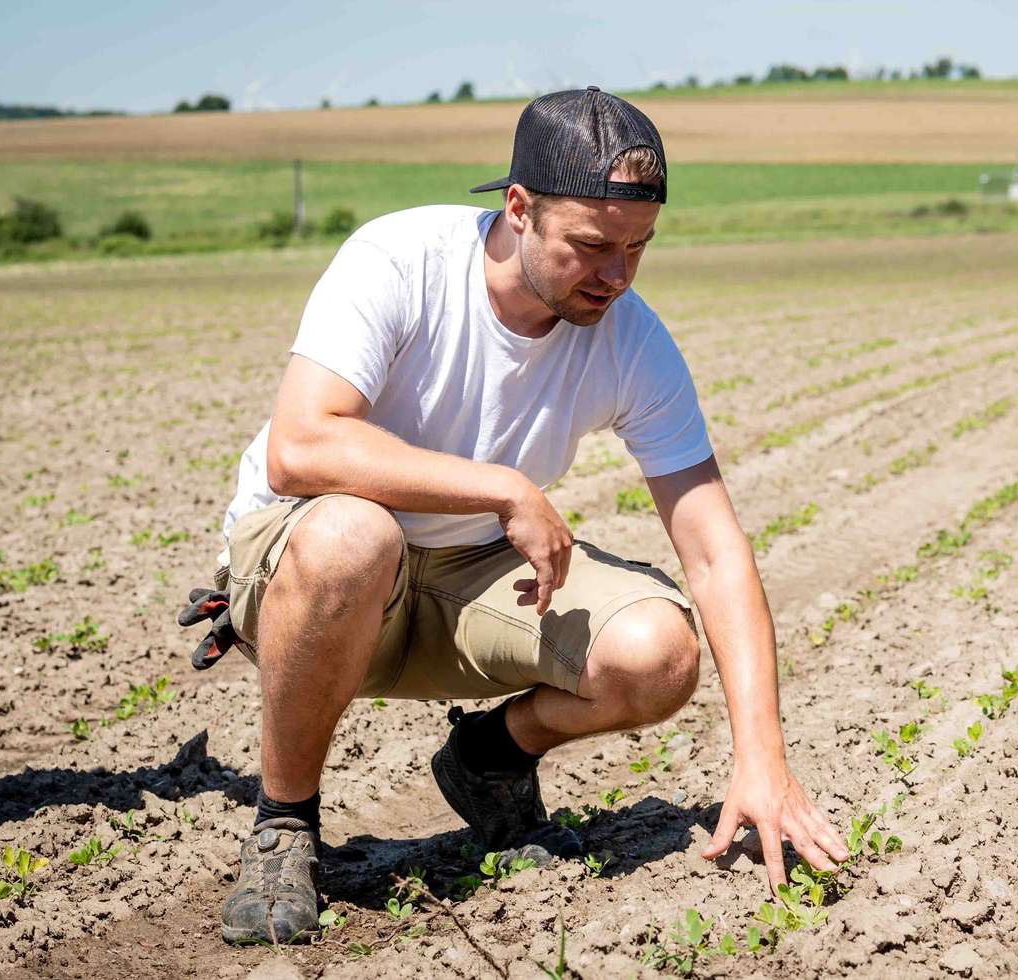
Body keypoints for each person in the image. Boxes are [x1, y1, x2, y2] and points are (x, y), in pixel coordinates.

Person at [201, 88, 847, 945]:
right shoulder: (400, 260)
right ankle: (284, 825)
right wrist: (502, 489)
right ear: (518, 208)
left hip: (464, 580)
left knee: (658, 652)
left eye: (639, 247)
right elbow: (300, 446)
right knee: (357, 534)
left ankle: (490, 759)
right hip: (314, 567)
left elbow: (716, 552)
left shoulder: (630, 339)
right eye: (592, 246)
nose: (617, 276)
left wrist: (762, 759)